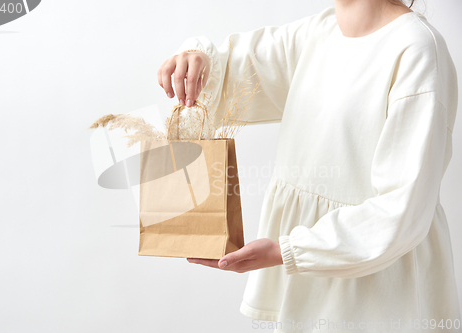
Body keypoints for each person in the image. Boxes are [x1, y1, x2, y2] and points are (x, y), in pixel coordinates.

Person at [157, 0, 461, 331]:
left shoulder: (417, 50)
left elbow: (402, 209)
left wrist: (286, 250)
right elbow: (232, 75)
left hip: (382, 292)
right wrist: (195, 62)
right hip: (308, 277)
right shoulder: (318, 32)